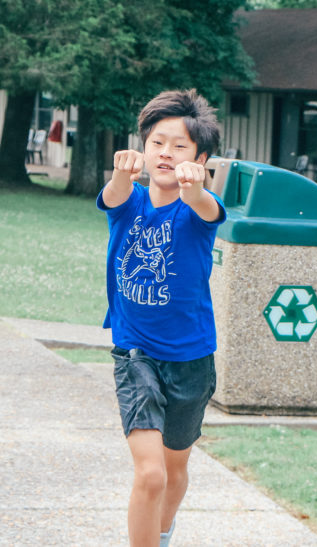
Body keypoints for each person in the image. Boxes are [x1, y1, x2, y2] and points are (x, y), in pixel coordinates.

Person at [98, 88, 226, 547]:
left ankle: (163, 534)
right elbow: (113, 195)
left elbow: (206, 206)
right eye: (157, 142)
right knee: (150, 474)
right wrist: (119, 174)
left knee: (174, 471)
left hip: (191, 360)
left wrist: (196, 185)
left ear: (200, 156)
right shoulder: (128, 201)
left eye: (180, 146)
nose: (166, 153)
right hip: (136, 354)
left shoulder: (197, 210)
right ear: (143, 147)